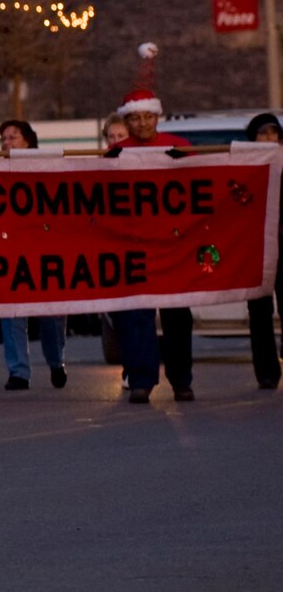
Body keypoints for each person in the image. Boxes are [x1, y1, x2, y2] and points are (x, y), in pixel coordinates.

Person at [108, 66, 196, 402]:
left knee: (177, 317)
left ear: (157, 118)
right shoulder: (116, 155)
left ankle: (182, 380)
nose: (142, 124)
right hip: (134, 246)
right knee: (135, 316)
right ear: (126, 122)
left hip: (176, 245)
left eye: (148, 117)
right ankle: (142, 380)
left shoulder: (179, 147)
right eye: (135, 119)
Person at [0, 120, 68, 391]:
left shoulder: (47, 168)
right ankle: (18, 372)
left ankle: (55, 361)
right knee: (11, 314)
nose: (7, 142)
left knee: (50, 316)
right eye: (3, 138)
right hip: (10, 251)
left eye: (13, 137)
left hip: (44, 250)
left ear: (29, 141)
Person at [244, 113, 283, 389]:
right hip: (255, 247)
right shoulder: (243, 166)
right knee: (259, 311)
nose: (269, 139)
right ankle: (267, 371)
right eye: (263, 133)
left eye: (273, 133)